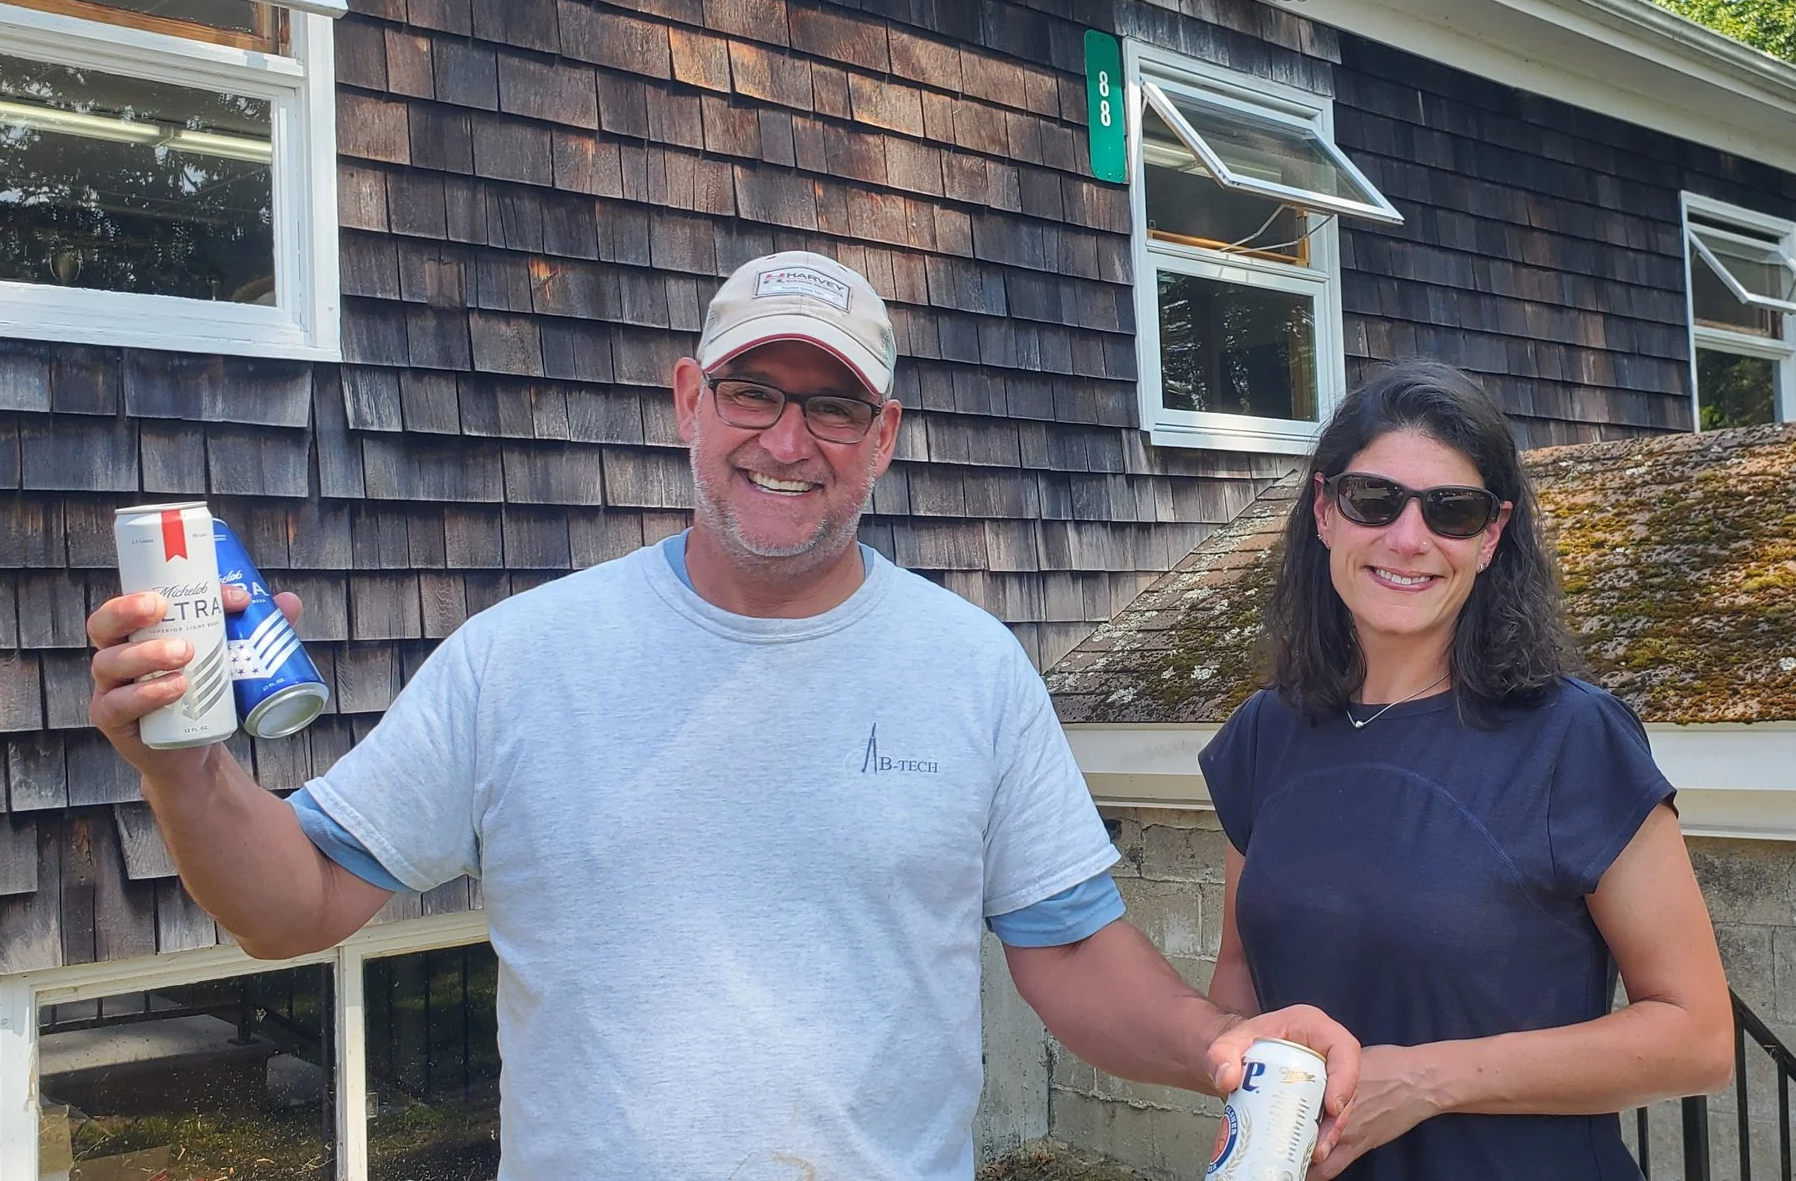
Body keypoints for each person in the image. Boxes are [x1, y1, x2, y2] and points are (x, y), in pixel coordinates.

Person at [88, 251, 1357, 1181]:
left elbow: (1070, 953)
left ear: (883, 437)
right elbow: (293, 903)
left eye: (833, 405)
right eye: (753, 391)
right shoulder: (522, 659)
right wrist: (184, 772)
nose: (787, 441)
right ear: (690, 401)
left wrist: (1222, 1044)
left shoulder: (970, 669)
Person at [1198, 361, 1732, 1179]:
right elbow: (1240, 973)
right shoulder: (1265, 734)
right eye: (1374, 499)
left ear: (1490, 537)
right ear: (1324, 510)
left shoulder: (1572, 737)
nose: (1409, 538)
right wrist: (1250, 1086)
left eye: (1451, 510)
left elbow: (1699, 1037)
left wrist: (1423, 1081)